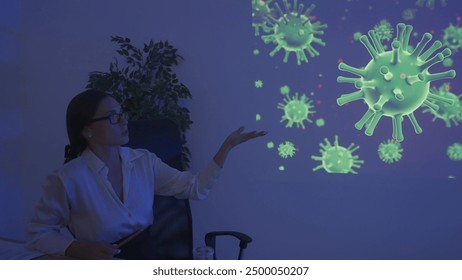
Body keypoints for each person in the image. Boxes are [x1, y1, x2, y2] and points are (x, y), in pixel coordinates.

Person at [27, 89, 267, 259]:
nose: (124, 121)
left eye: (122, 114)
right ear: (87, 130)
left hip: (149, 255)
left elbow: (194, 188)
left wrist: (225, 148)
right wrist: (76, 248)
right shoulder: (67, 179)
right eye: (113, 117)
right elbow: (39, 233)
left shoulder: (144, 161)